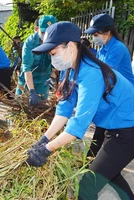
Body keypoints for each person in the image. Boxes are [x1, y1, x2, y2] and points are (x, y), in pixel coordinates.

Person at [26, 21, 134, 199]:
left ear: (70, 46)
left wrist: (47, 149)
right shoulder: (71, 68)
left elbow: (78, 125)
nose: (53, 59)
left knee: (87, 186)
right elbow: (65, 108)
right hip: (115, 127)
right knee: (109, 173)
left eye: (54, 53)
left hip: (127, 130)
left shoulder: (90, 73)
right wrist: (44, 139)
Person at [84, 13, 134, 157]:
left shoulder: (118, 48)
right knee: (100, 128)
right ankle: (91, 159)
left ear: (107, 32)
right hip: (112, 93)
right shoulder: (102, 50)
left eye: (96, 33)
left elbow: (103, 73)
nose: (94, 37)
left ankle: (92, 161)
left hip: (124, 97)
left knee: (102, 129)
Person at [16, 15, 57, 105]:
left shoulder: (56, 42)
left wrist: (52, 77)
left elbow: (56, 64)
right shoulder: (30, 43)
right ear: (36, 28)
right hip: (26, 82)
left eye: (49, 33)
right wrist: (32, 91)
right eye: (43, 32)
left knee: (40, 111)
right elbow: (27, 67)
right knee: (19, 109)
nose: (46, 36)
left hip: (43, 83)